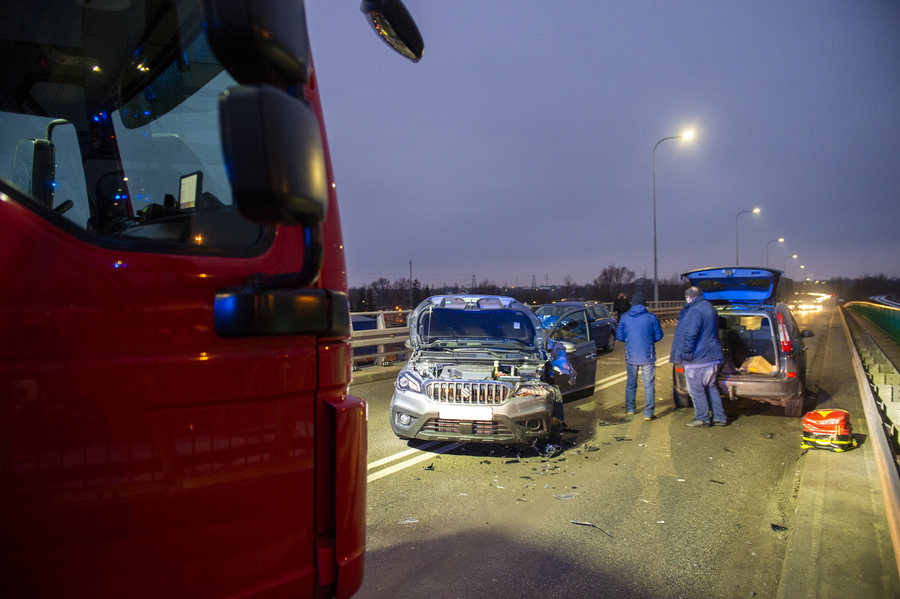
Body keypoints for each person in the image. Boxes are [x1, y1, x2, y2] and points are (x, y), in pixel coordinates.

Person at [670, 286, 727, 427]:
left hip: (698, 358)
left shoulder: (695, 310)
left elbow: (690, 334)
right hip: (713, 356)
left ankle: (702, 419)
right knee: (711, 387)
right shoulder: (710, 308)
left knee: (696, 391)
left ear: (689, 297)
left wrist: (686, 353)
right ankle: (720, 417)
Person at [616, 292, 664, 420]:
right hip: (647, 356)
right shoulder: (651, 317)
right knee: (648, 385)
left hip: (631, 355)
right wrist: (648, 340)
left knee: (631, 383)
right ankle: (648, 413)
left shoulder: (625, 317)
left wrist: (630, 339)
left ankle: (630, 409)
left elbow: (619, 336)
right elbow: (659, 336)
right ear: (644, 303)